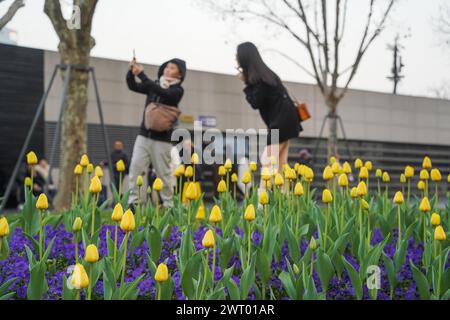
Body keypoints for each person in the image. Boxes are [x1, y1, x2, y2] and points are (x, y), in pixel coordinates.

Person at [236, 42, 302, 183]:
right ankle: (285, 200)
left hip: (280, 124)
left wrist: (246, 84)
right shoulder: (268, 75)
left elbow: (255, 102)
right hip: (288, 121)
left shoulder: (258, 80)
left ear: (244, 58)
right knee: (281, 164)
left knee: (268, 161)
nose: (235, 58)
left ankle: (262, 200)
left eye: (237, 55)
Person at [126, 57, 187, 208]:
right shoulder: (153, 84)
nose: (168, 69)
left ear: (179, 75)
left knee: (164, 174)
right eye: (167, 66)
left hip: (163, 140)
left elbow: (163, 93)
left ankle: (168, 205)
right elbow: (133, 85)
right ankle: (135, 204)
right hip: (144, 136)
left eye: (172, 68)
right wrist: (131, 71)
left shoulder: (177, 90)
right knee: (136, 168)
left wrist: (142, 74)